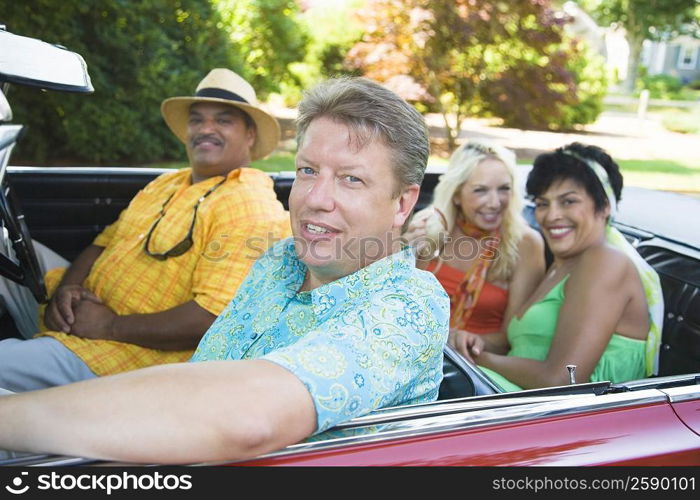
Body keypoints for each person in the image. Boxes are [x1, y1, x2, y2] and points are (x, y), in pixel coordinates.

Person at [0, 76, 449, 464]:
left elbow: (250, 419)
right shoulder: (279, 261)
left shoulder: (412, 306)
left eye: (351, 178)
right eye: (308, 170)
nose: (315, 198)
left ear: (404, 203)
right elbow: (200, 375)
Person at [0, 68, 291, 391]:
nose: (205, 129)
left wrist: (108, 326)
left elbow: (213, 318)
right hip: (81, 314)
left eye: (223, 120)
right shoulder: (166, 182)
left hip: (120, 356)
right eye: (197, 119)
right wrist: (67, 291)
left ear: (249, 135)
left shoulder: (248, 203)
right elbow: (102, 243)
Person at [456, 142, 664, 391]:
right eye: (543, 203)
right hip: (511, 401)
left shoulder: (605, 261)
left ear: (605, 206)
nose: (551, 215)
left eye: (568, 202)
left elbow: (564, 380)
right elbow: (526, 350)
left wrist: (474, 359)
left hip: (562, 419)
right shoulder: (560, 266)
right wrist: (470, 342)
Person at [403, 140, 544, 339]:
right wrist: (400, 254)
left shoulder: (526, 243)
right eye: (480, 190)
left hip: (476, 364)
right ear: (457, 194)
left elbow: (512, 338)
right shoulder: (427, 228)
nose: (495, 203)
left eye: (504, 189)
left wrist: (462, 341)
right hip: (413, 347)